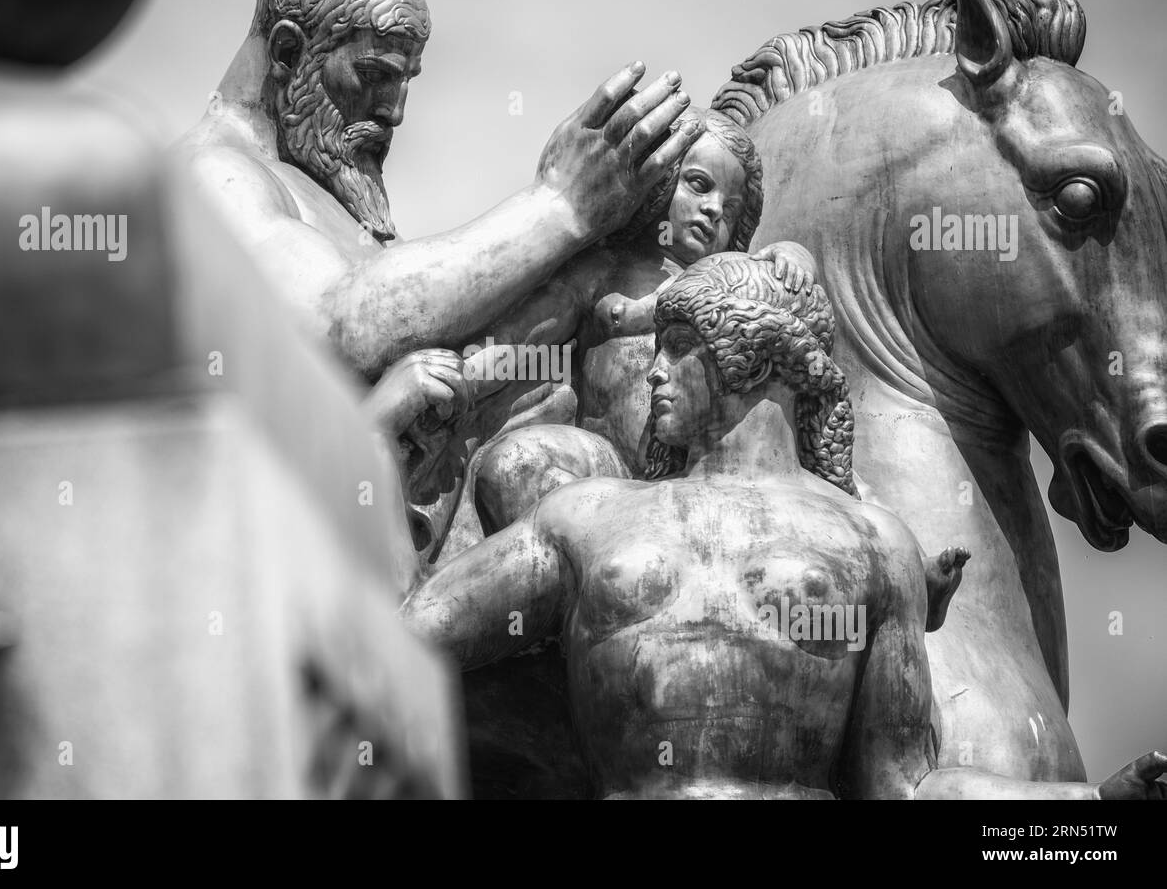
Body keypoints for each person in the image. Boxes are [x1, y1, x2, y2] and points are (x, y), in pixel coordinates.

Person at [402, 253, 972, 797]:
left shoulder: (875, 542)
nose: (652, 373)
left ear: (760, 351)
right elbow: (404, 636)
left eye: (677, 348)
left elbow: (898, 787)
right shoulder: (585, 516)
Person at [177, 0, 699, 385]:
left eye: (407, 82)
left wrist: (587, 266)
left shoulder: (318, 187)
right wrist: (561, 206)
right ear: (288, 53)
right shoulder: (217, 173)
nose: (395, 112)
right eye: (375, 75)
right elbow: (339, 326)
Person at [471, 108, 816, 532]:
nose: (713, 209)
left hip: (703, 465)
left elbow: (784, 306)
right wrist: (466, 378)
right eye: (699, 185)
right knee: (517, 463)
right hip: (610, 465)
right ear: (660, 177)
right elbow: (518, 342)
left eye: (731, 207)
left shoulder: (732, 281)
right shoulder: (600, 271)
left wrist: (794, 256)